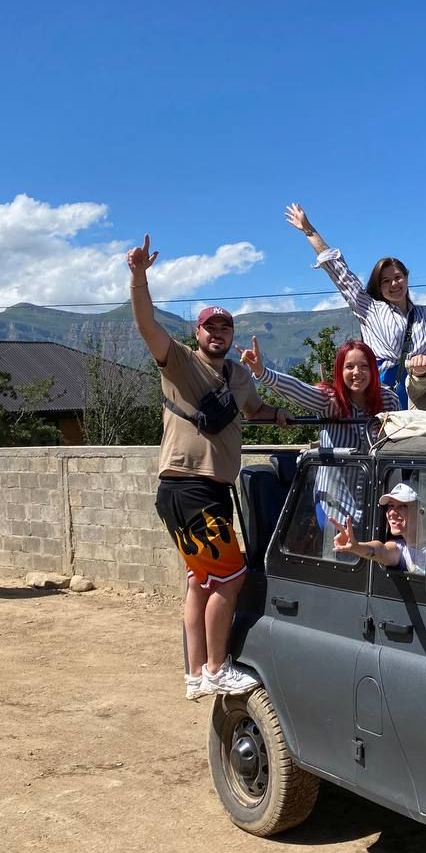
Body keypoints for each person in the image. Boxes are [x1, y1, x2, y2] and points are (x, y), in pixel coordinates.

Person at [128, 235, 291, 700]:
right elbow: (146, 324)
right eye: (209, 327)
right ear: (197, 333)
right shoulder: (179, 362)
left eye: (225, 327)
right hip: (187, 488)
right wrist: (139, 278)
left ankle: (196, 672)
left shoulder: (237, 375)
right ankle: (219, 668)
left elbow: (253, 410)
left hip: (211, 490)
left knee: (200, 580)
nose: (217, 333)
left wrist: (277, 414)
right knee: (232, 577)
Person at [238, 336, 399, 552]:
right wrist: (262, 372)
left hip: (373, 499)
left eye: (364, 366)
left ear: (373, 370)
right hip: (335, 501)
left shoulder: (388, 401)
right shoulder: (330, 400)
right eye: (349, 366)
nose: (357, 373)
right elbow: (298, 390)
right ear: (340, 371)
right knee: (338, 554)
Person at [285, 203, 426, 404]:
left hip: (424, 393)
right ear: (378, 285)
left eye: (398, 277)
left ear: (406, 277)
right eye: (386, 281)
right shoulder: (369, 308)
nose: (394, 284)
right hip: (383, 390)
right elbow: (340, 273)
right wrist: (309, 230)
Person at [333, 482, 426, 576]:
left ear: (423, 511)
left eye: (402, 506)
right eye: (390, 506)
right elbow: (381, 550)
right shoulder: (402, 549)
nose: (392, 512)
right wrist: (356, 547)